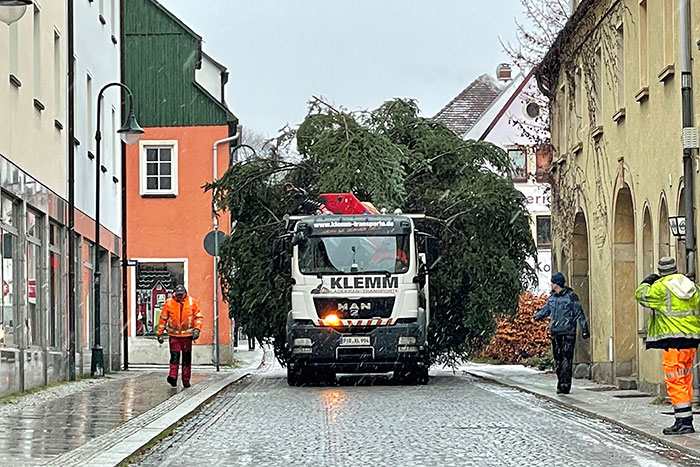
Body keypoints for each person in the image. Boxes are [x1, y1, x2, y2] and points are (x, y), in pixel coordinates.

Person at [635, 257, 700, 435]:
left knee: (674, 379)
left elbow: (641, 295)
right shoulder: (691, 286)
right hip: (691, 340)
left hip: (672, 340)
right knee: (685, 378)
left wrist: (648, 280)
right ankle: (685, 419)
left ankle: (683, 422)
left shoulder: (661, 287)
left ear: (661, 271)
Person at [535, 272, 590, 394]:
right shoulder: (552, 298)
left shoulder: (571, 297)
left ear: (556, 284)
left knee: (566, 359)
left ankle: (565, 385)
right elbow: (545, 310)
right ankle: (560, 382)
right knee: (558, 359)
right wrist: (537, 316)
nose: (551, 284)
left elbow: (579, 314)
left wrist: (584, 329)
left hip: (568, 332)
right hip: (555, 333)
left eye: (552, 282)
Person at [156, 285, 203, 388]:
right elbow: (163, 319)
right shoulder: (169, 303)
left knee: (186, 359)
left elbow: (198, 317)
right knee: (174, 357)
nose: (179, 297)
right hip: (174, 336)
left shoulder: (192, 302)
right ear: (175, 294)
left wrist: (197, 329)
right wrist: (159, 333)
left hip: (187, 336)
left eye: (181, 295)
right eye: (178, 295)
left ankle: (186, 380)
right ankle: (172, 377)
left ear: (185, 294)